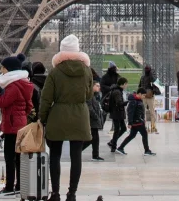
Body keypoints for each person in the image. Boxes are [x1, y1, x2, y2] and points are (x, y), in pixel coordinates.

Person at [39, 34, 93, 201]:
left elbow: (46, 98)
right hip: (79, 116)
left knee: (54, 155)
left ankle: (55, 193)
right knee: (76, 156)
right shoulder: (87, 71)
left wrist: (42, 118)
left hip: (58, 117)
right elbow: (89, 95)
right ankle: (72, 193)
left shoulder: (55, 72)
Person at [0, 54, 33, 199]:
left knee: (9, 158)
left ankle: (9, 187)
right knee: (18, 157)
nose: (1, 70)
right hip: (19, 124)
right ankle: (19, 186)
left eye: (2, 67)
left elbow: (2, 102)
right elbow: (29, 106)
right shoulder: (23, 83)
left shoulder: (13, 86)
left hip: (12, 126)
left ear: (9, 69)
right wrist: (21, 117)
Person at [116, 88, 156, 156]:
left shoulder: (138, 100)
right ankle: (146, 150)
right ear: (139, 94)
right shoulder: (133, 101)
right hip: (137, 122)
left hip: (138, 121)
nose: (144, 97)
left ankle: (120, 148)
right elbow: (130, 112)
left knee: (132, 136)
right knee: (144, 134)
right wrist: (130, 123)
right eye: (143, 95)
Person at [82, 81, 104, 161]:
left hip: (94, 120)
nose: (99, 87)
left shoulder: (94, 96)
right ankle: (94, 155)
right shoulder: (89, 96)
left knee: (94, 138)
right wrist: (96, 116)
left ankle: (95, 155)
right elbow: (90, 108)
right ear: (92, 86)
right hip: (92, 120)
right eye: (97, 86)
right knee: (92, 138)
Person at [107, 77, 129, 153]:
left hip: (118, 113)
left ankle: (112, 142)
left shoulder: (118, 90)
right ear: (122, 84)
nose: (126, 86)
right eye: (126, 84)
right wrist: (128, 102)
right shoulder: (117, 92)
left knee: (123, 128)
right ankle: (113, 146)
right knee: (117, 129)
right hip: (117, 113)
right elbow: (119, 103)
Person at [100, 61, 120, 132]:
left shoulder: (117, 77)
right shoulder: (105, 77)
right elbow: (102, 87)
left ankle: (113, 127)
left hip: (113, 97)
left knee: (113, 114)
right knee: (105, 113)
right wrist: (110, 88)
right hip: (106, 98)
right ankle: (101, 126)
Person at [139, 65, 158, 134]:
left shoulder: (143, 77)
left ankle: (144, 127)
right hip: (150, 96)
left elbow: (139, 86)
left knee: (143, 112)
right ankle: (153, 127)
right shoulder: (151, 77)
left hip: (144, 96)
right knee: (152, 112)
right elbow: (155, 82)